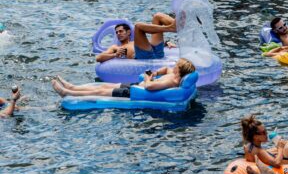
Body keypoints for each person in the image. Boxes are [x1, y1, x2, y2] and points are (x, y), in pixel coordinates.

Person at [51, 59, 196, 99]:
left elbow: (150, 88)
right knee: (103, 86)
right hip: (135, 86)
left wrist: (147, 79)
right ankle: (72, 87)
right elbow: (165, 69)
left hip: (134, 92)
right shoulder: (172, 73)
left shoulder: (173, 81)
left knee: (101, 92)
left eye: (178, 64)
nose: (174, 64)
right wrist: (155, 73)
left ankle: (68, 93)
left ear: (180, 69)